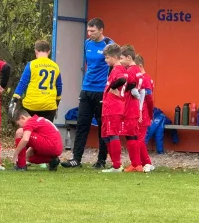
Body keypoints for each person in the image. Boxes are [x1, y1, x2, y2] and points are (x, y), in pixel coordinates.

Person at [61, 18, 113, 169]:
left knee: (102, 126)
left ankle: (101, 161)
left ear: (101, 30)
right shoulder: (87, 44)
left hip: (102, 91)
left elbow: (114, 65)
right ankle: (76, 159)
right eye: (88, 31)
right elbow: (88, 65)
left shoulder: (109, 44)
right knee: (82, 124)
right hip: (86, 89)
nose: (89, 34)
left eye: (93, 31)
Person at [9, 39, 62, 170]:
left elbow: (23, 82)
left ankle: (22, 162)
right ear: (48, 52)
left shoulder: (32, 64)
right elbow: (59, 87)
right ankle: (50, 160)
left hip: (32, 103)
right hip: (49, 105)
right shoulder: (55, 66)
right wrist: (57, 102)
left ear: (36, 51)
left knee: (25, 132)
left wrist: (15, 97)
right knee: (45, 135)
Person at [99, 44, 127, 173]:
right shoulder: (114, 69)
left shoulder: (118, 69)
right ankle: (114, 164)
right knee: (105, 135)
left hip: (114, 108)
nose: (106, 60)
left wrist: (113, 87)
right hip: (108, 107)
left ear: (115, 57)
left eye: (107, 58)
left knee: (112, 134)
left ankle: (117, 165)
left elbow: (121, 80)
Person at [119, 45, 144, 172]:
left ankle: (135, 164)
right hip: (133, 107)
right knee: (132, 136)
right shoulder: (138, 70)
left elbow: (131, 88)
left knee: (131, 136)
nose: (120, 61)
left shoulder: (131, 71)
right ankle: (136, 163)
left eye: (122, 58)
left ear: (129, 57)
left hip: (129, 108)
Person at [135, 54, 155, 172]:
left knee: (139, 139)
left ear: (140, 66)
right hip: (142, 112)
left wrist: (150, 114)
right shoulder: (145, 78)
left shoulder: (145, 79)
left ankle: (146, 162)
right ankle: (142, 163)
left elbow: (149, 99)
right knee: (138, 138)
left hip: (144, 113)